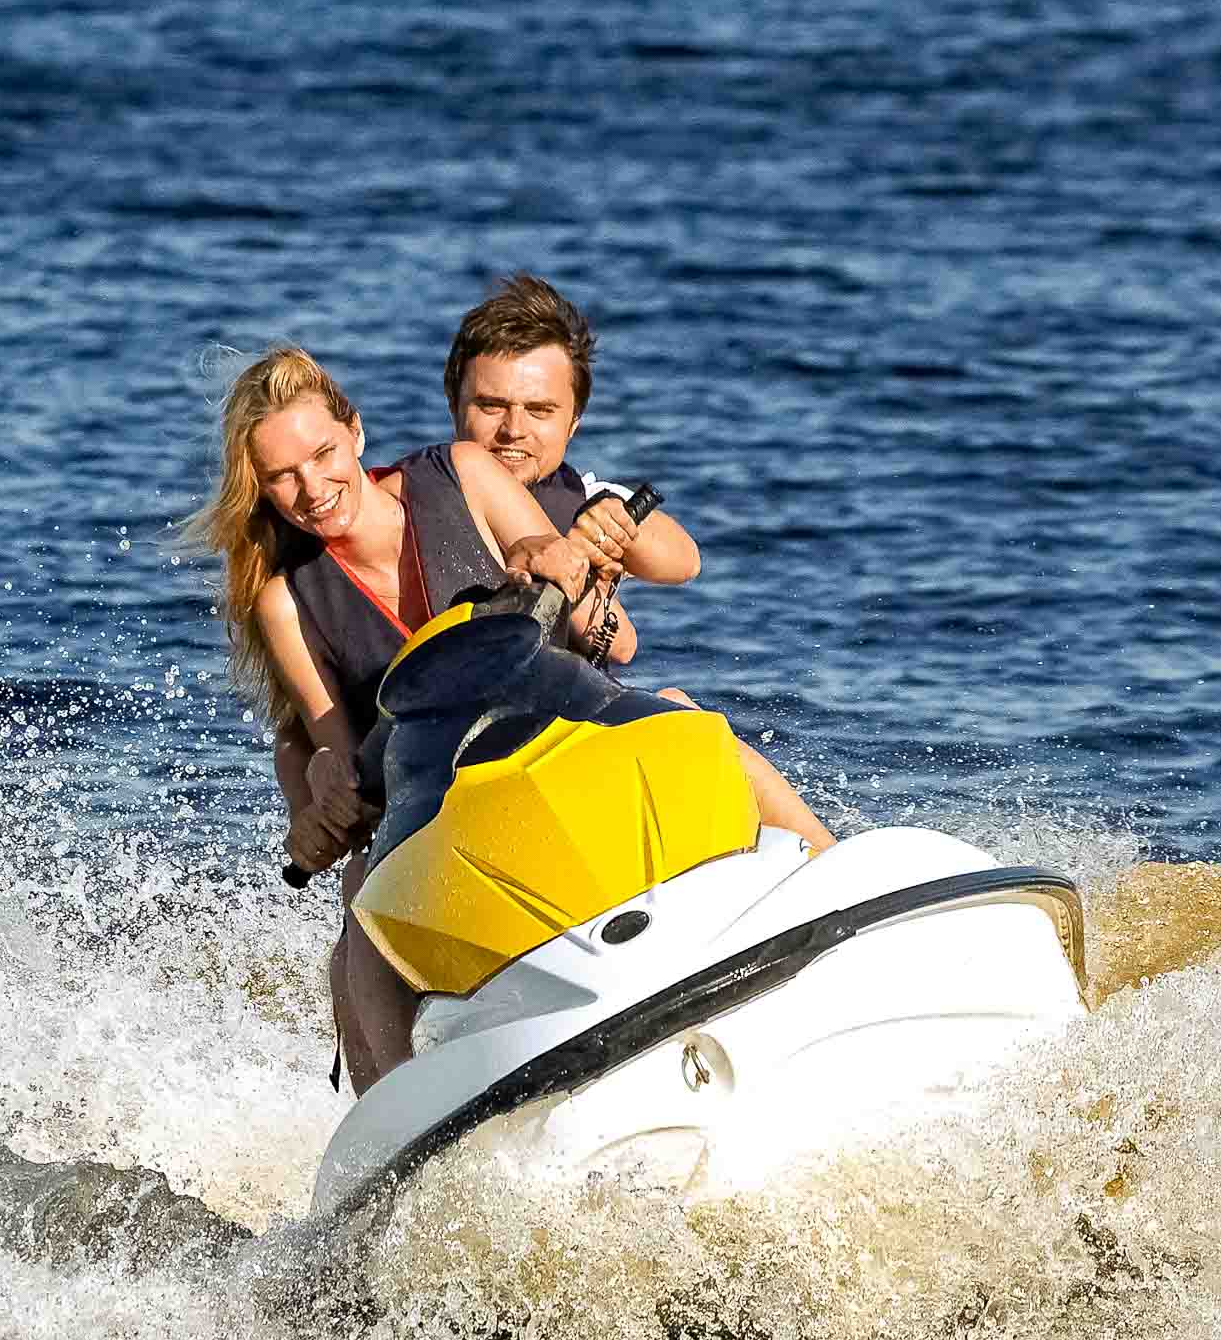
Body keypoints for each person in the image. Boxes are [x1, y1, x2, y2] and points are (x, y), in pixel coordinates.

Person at [193, 346, 831, 1094]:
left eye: (323, 454)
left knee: (693, 722)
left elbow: (610, 635)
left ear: (355, 434)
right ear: (260, 489)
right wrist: (322, 795)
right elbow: (343, 761)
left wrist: (553, 559)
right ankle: (405, 1120)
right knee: (359, 899)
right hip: (443, 814)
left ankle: (851, 894)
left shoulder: (461, 472)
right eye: (281, 476)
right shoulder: (286, 601)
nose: (312, 488)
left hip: (566, 743)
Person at [442, 273, 702, 608]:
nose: (514, 429)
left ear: (573, 423)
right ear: (453, 403)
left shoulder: (586, 503)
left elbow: (685, 561)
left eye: (539, 410)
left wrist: (614, 528)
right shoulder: (411, 495)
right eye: (492, 405)